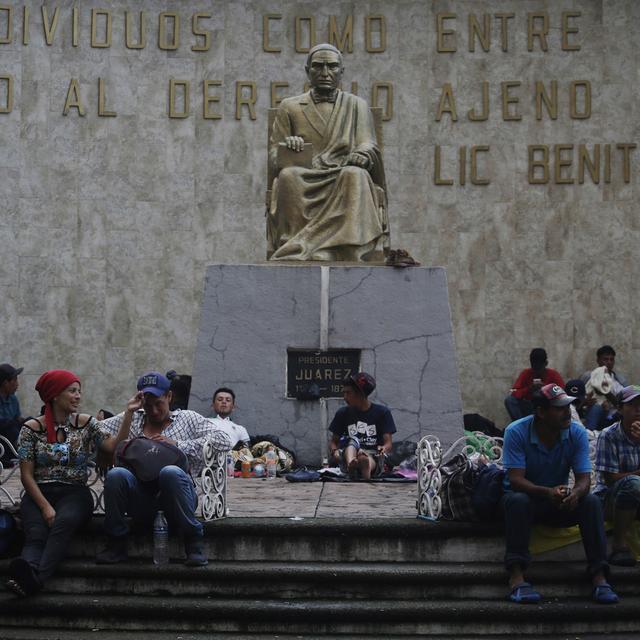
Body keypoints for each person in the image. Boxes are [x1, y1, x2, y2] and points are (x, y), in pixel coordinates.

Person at [6, 369, 133, 597]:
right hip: (39, 493)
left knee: (62, 523)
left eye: (79, 391)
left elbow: (110, 447)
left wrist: (129, 415)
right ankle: (28, 573)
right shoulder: (31, 429)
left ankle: (34, 578)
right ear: (55, 395)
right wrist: (44, 506)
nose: (78, 396)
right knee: (35, 533)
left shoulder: (86, 424)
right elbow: (26, 475)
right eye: (72, 391)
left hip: (74, 493)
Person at [267, 43, 388, 262]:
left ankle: (343, 246)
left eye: (332, 67)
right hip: (306, 173)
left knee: (355, 175)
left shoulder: (357, 105)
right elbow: (275, 156)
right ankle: (299, 244)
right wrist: (289, 145)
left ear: (341, 72)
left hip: (342, 171)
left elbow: (367, 143)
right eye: (318, 67)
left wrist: (362, 155)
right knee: (287, 177)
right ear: (307, 71)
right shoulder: (290, 107)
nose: (325, 73)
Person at [500, 383, 617, 604]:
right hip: (528, 502)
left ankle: (600, 578)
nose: (567, 413)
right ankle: (516, 577)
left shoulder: (576, 432)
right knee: (517, 501)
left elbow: (584, 479)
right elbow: (515, 480)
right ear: (541, 412)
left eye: (567, 407)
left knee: (590, 501)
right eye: (560, 408)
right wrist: (546, 492)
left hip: (557, 502)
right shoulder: (516, 431)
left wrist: (575, 493)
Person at [96, 371, 216, 567]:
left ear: (169, 396)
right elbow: (94, 429)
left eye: (158, 403)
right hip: (141, 499)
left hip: (178, 498)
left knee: (170, 472)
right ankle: (116, 545)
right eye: (148, 404)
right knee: (117, 474)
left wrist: (178, 444)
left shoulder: (187, 418)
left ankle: (193, 544)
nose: (153, 410)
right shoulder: (134, 418)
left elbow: (222, 440)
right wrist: (105, 447)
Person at [594, 385, 640, 566]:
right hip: (610, 498)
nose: (638, 409)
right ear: (620, 409)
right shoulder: (609, 435)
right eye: (632, 405)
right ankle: (619, 546)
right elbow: (611, 479)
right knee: (634, 484)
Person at [328, 372, 396, 480]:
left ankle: (365, 468)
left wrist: (383, 448)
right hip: (349, 454)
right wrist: (334, 451)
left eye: (348, 393)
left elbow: (388, 443)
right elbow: (334, 441)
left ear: (360, 394)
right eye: (344, 393)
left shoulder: (382, 412)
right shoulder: (342, 413)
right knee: (352, 442)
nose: (344, 397)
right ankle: (352, 466)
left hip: (373, 453)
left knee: (366, 458)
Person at [504, 348, 565, 421]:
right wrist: (529, 389)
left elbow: (562, 394)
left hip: (547, 407)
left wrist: (546, 389)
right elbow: (513, 392)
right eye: (534, 368)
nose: (537, 371)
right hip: (530, 406)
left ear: (545, 364)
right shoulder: (526, 373)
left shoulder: (553, 375)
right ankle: (522, 425)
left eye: (539, 368)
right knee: (510, 400)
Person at [581, 345, 628, 430]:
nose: (609, 362)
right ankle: (590, 437)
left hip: (612, 417)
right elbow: (576, 400)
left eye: (611, 359)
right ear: (598, 360)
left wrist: (605, 392)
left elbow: (623, 404)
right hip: (591, 413)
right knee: (596, 408)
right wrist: (585, 402)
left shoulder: (619, 380)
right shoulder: (588, 376)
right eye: (605, 359)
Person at [0, 363, 24, 464]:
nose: (17, 384)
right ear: (6, 383)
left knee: (29, 423)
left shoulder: (13, 399)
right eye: (15, 380)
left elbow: (18, 418)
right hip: (3, 436)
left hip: (11, 431)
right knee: (10, 427)